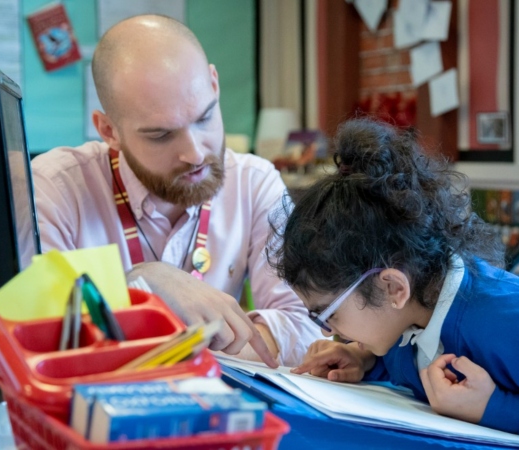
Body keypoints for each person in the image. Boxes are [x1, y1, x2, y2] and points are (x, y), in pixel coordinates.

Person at [270, 118, 519, 448]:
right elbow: (413, 363)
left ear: (393, 288)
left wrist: (495, 408)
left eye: (329, 314)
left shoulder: (514, 327)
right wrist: (365, 361)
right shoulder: (414, 318)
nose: (330, 331)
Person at [31, 15, 321, 367]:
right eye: (161, 135)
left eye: (205, 118)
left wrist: (171, 347)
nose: (196, 153)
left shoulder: (254, 183)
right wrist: (140, 281)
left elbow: (306, 326)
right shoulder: (56, 187)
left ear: (214, 84)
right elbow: (40, 335)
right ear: (109, 130)